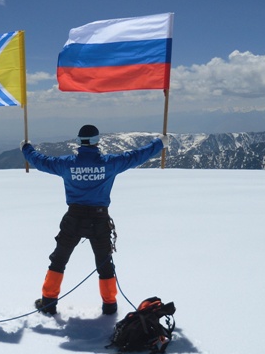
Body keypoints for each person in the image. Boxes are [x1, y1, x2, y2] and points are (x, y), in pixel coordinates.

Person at [20, 125, 169, 315]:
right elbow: (137, 156)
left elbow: (42, 162)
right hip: (100, 219)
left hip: (73, 218)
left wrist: (26, 149)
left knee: (59, 260)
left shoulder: (67, 164)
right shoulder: (110, 163)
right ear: (97, 141)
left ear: (78, 142)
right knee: (104, 264)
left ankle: (48, 302)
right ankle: (109, 305)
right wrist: (159, 144)